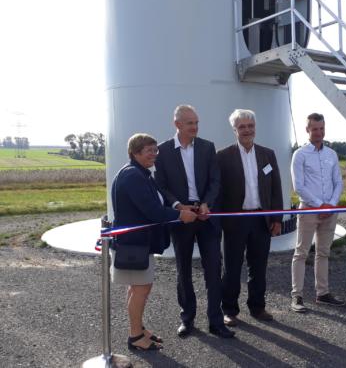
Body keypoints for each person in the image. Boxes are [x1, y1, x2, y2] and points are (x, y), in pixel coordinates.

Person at [111, 133, 198, 351]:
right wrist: (180, 217)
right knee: (140, 288)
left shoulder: (141, 174)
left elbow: (157, 204)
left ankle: (139, 329)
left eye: (155, 150)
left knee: (137, 288)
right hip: (134, 244)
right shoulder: (133, 176)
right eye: (148, 150)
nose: (154, 154)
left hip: (138, 243)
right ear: (135, 152)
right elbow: (152, 211)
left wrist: (179, 208)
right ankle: (135, 336)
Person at [154, 104, 234, 339]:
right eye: (190, 123)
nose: (195, 127)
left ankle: (216, 321)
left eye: (197, 122)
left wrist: (207, 203)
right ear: (177, 124)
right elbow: (161, 185)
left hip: (206, 216)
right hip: (181, 218)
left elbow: (215, 181)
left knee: (213, 270)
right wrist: (178, 206)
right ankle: (187, 319)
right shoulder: (163, 151)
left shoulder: (207, 148)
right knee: (183, 271)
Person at [217, 108, 283, 326]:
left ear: (255, 127)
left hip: (261, 220)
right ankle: (229, 310)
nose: (247, 130)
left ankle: (257, 307)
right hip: (235, 221)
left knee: (259, 266)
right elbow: (218, 191)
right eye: (242, 126)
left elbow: (275, 188)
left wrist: (277, 219)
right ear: (234, 129)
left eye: (250, 126)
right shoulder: (223, 156)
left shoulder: (267, 154)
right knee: (232, 267)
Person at [290, 113, 344, 313]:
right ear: (307, 130)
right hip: (309, 210)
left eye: (322, 128)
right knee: (301, 252)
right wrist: (320, 204)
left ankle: (323, 293)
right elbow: (298, 186)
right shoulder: (300, 155)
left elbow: (338, 182)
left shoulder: (332, 154)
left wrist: (330, 205)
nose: (319, 133)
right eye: (315, 129)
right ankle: (297, 296)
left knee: (323, 252)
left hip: (329, 211)